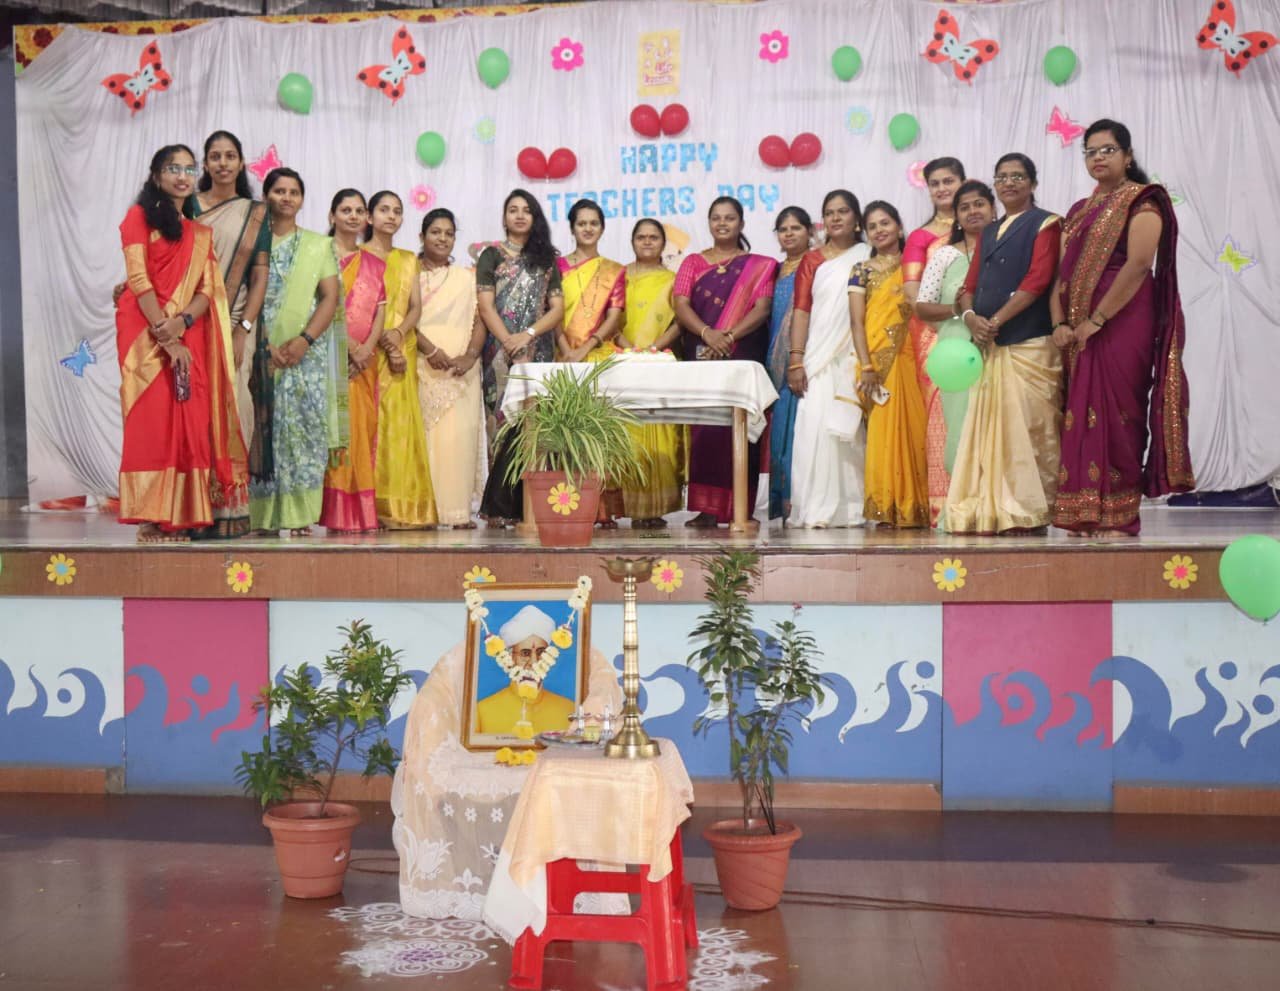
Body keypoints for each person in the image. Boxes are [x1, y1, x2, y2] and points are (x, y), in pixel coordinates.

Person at [1051, 119, 1194, 535]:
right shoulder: (1078, 211)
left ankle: (1118, 515)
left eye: (1108, 150)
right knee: (1080, 415)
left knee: (1118, 413)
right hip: (1078, 331)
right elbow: (1061, 274)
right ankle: (1084, 514)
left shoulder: (1142, 201)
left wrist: (1098, 319)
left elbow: (1138, 264)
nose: (1098, 157)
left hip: (1122, 322)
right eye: (1091, 151)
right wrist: (1060, 322)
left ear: (1128, 156)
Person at [114, 144, 249, 542]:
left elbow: (208, 291)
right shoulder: (138, 217)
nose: (182, 176)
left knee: (189, 417)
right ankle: (150, 517)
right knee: (152, 419)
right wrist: (165, 334)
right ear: (157, 175)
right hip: (144, 333)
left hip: (185, 332)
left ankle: (182, 514)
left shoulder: (198, 233)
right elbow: (139, 280)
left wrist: (182, 322)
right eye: (173, 168)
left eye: (189, 169)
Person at [949, 154, 1063, 535]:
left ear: (1032, 183)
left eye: (1018, 176)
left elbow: (1038, 280)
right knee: (990, 434)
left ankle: (1029, 511)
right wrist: (971, 318)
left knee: (1029, 430)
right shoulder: (989, 232)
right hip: (990, 345)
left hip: (1029, 341)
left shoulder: (1046, 223)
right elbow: (969, 285)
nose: (1009, 183)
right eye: (1002, 177)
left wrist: (995, 321)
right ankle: (993, 508)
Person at [248, 167, 345, 536]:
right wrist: (261, 345)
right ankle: (259, 514)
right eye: (279, 190)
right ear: (266, 196)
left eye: (294, 192)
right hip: (258, 351)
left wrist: (304, 340)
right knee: (258, 429)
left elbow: (330, 297)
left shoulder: (318, 245)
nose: (286, 197)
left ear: (302, 199)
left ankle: (299, 513)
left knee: (303, 431)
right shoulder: (251, 243)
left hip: (305, 356)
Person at [673, 196, 776, 527]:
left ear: (741, 223)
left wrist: (728, 337)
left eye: (729, 218)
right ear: (709, 223)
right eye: (716, 218)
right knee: (706, 429)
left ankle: (740, 509)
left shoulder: (761, 265)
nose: (722, 223)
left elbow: (762, 308)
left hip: (741, 354)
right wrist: (708, 334)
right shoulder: (692, 262)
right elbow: (680, 304)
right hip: (702, 352)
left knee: (741, 426)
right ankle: (706, 509)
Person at [476, 189, 565, 526]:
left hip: (538, 352)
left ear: (535, 216)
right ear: (504, 217)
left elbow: (557, 309)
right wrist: (509, 342)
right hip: (499, 353)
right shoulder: (491, 256)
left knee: (534, 427)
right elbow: (486, 306)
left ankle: (528, 505)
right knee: (499, 423)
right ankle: (497, 508)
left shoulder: (546, 259)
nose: (519, 215)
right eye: (512, 210)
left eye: (526, 210)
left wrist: (527, 336)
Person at [913, 180, 997, 529]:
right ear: (957, 217)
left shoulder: (1007, 247)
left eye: (979, 204)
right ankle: (962, 509)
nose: (973, 211)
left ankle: (1000, 508)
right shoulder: (945, 255)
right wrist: (960, 310)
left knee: (999, 428)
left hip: (1001, 346)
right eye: (965, 207)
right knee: (960, 429)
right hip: (957, 354)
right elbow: (921, 307)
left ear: (992, 208)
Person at [786, 191, 872, 528]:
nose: (836, 218)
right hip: (819, 357)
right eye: (829, 213)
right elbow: (802, 311)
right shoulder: (812, 260)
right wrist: (796, 360)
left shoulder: (869, 255)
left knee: (851, 430)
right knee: (815, 427)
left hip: (857, 355)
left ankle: (854, 507)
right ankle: (816, 506)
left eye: (843, 211)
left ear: (856, 218)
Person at [849, 201, 928, 528]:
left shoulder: (917, 263)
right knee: (883, 434)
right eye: (873, 226)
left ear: (898, 225)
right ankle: (887, 505)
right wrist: (867, 365)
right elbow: (856, 322)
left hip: (915, 356)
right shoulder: (861, 270)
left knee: (918, 429)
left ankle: (920, 505)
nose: (880, 230)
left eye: (885, 223)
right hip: (878, 362)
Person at [364, 191, 436, 529]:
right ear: (369, 217)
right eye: (384, 210)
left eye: (397, 211)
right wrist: (383, 339)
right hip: (366, 349)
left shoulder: (408, 259)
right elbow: (356, 307)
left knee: (400, 427)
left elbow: (415, 307)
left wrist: (398, 334)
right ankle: (369, 505)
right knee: (371, 424)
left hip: (402, 346)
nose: (391, 216)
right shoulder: (358, 256)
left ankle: (401, 505)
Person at [190, 130, 270, 431]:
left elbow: (260, 277)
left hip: (236, 318)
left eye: (230, 156)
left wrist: (242, 329)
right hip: (192, 317)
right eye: (215, 157)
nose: (223, 163)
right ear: (205, 165)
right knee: (195, 401)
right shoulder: (188, 206)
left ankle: (232, 465)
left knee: (235, 402)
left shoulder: (256, 213)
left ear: (241, 163)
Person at [903, 157, 966, 524]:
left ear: (963, 182)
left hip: (980, 333)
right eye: (935, 183)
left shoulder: (982, 228)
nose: (942, 188)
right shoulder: (921, 237)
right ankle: (945, 505)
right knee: (943, 418)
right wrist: (949, 319)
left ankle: (982, 500)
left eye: (949, 181)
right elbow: (913, 294)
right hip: (935, 335)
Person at [556, 199, 627, 527]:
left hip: (598, 357)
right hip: (562, 357)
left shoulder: (614, 270)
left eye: (593, 223)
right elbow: (551, 312)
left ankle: (601, 509)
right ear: (572, 228)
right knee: (564, 435)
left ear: (602, 228)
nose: (587, 228)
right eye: (581, 223)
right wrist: (565, 349)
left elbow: (614, 316)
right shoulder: (556, 267)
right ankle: (566, 505)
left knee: (599, 435)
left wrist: (586, 347)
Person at [416, 208, 486, 528]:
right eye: (435, 232)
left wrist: (469, 356)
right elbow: (401, 319)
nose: (442, 239)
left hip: (461, 371)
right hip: (420, 366)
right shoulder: (409, 274)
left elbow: (480, 319)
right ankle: (423, 512)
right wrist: (429, 350)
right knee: (425, 442)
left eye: (449, 233)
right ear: (422, 236)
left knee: (458, 441)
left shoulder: (466, 278)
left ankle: (457, 512)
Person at [320, 190, 385, 533]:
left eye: (359, 210)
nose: (353, 216)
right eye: (346, 210)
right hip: (326, 357)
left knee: (360, 432)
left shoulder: (374, 264)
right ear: (332, 216)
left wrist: (366, 349)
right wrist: (346, 346)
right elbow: (315, 305)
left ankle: (357, 513)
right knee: (330, 431)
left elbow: (380, 313)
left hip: (364, 363)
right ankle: (329, 511)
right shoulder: (319, 255)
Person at [619, 218, 686, 528]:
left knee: (660, 434)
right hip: (623, 361)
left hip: (660, 362)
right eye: (641, 237)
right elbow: (610, 317)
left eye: (653, 237)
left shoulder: (673, 279)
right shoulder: (619, 277)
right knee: (627, 433)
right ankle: (628, 506)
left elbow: (680, 321)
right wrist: (629, 350)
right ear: (632, 241)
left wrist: (655, 349)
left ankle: (656, 508)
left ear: (663, 243)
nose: (647, 242)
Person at [764, 206, 813, 522]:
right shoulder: (773, 270)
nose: (789, 234)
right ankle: (783, 504)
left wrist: (799, 357)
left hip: (804, 359)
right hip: (775, 363)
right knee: (780, 432)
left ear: (810, 231)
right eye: (783, 229)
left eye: (796, 228)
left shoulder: (817, 266)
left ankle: (803, 502)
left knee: (801, 433)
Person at [475, 605, 576, 736]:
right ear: (510, 657)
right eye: (525, 653)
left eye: (541, 652)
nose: (534, 662)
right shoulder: (483, 710)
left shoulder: (568, 710)